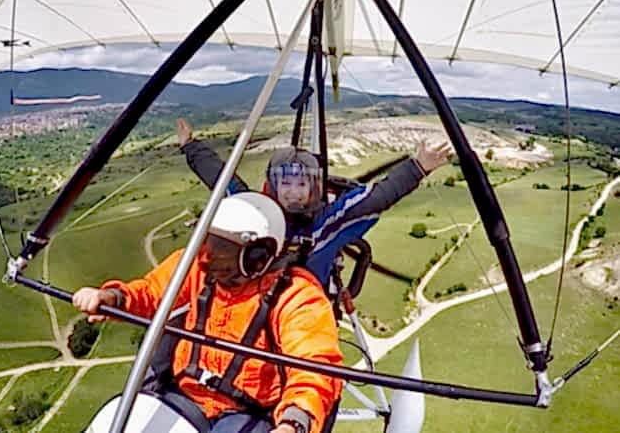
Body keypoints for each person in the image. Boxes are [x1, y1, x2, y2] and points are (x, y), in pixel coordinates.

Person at [73, 192, 343, 433]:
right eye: (206, 242)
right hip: (184, 395)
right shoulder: (196, 268)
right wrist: (113, 298)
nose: (206, 256)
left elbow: (315, 366)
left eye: (221, 249)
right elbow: (153, 292)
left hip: (246, 413)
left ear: (257, 257)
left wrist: (293, 423)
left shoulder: (296, 295)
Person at [176, 118, 451, 288]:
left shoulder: (325, 224)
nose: (293, 193)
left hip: (303, 310)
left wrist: (417, 168)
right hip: (258, 308)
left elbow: (374, 198)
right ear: (273, 185)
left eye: (301, 184)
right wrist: (191, 147)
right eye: (285, 184)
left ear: (313, 188)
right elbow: (223, 180)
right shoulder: (257, 216)